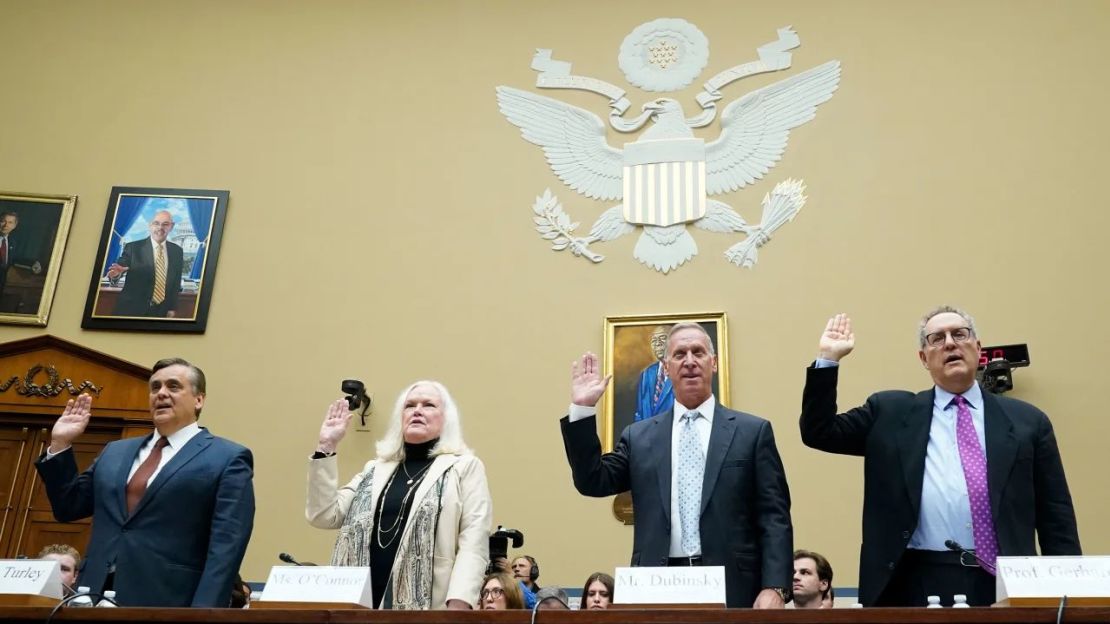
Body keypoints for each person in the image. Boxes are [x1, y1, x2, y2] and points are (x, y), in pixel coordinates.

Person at [800, 309, 1082, 607]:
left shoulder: (1028, 422)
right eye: (937, 338)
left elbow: (1056, 517)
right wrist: (828, 359)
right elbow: (819, 432)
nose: (950, 343)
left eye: (960, 334)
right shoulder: (890, 413)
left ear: (978, 348)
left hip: (1006, 580)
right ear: (923, 358)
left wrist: (1069, 595)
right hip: (914, 579)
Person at [560, 322, 794, 608]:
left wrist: (775, 587)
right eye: (680, 354)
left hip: (733, 586)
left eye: (698, 352)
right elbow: (592, 481)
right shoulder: (640, 436)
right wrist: (582, 410)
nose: (690, 361)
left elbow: (774, 516)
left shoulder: (752, 432)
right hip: (656, 585)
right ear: (667, 367)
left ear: (714, 363)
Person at [34, 357, 255, 607]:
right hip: (93, 595)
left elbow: (227, 547)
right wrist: (60, 444)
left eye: (173, 386)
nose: (161, 393)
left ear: (199, 399)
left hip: (168, 599)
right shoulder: (115, 452)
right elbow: (68, 507)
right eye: (155, 387)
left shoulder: (227, 457)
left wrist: (204, 613)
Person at [306, 380, 493, 610]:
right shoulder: (374, 470)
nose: (417, 410)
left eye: (429, 405)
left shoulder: (464, 467)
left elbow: (474, 542)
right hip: (357, 604)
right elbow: (323, 515)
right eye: (410, 405)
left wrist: (460, 604)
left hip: (431, 605)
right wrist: (327, 445)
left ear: (447, 419)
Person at [106, 210, 184, 318]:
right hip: (131, 310)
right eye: (156, 223)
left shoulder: (177, 251)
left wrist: (172, 308)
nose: (160, 228)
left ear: (171, 226)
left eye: (165, 224)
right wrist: (116, 274)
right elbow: (121, 267)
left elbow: (176, 282)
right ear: (150, 225)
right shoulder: (133, 248)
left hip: (161, 312)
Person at [0, 211, 42, 310]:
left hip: (3, 285)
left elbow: (16, 258)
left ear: (15, 226)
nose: (6, 225)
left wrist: (33, 263)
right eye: (3, 221)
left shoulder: (13, 242)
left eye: (10, 222)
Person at [635, 325, 674, 421]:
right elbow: (639, 413)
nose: (657, 343)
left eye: (662, 338)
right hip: (647, 434)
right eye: (654, 340)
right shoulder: (647, 373)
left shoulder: (683, 370)